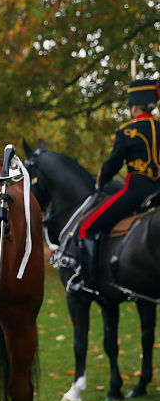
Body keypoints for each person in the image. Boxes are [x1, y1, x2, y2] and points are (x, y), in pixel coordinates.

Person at [70, 78, 160, 292]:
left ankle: (89, 283)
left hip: (137, 193)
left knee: (85, 227)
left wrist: (100, 181)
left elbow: (112, 164)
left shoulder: (128, 131)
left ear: (134, 106)